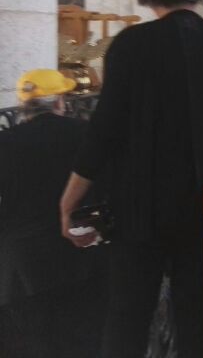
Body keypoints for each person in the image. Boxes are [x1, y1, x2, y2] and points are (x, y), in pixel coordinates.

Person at [59, 0, 203, 358]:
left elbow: (105, 130)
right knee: (200, 319)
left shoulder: (131, 45)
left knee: (128, 316)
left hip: (141, 209)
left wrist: (70, 199)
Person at [0, 70, 106, 358]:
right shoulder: (86, 133)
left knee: (27, 342)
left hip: (22, 264)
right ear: (60, 101)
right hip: (81, 253)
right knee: (83, 340)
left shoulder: (5, 142)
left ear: (22, 106)